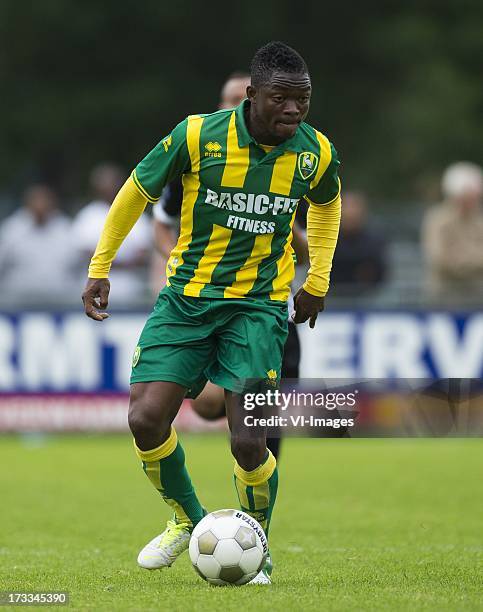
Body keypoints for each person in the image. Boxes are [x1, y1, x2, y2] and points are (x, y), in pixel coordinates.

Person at [82, 41, 342, 585]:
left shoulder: (315, 151)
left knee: (250, 439)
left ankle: (258, 550)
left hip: (259, 308)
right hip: (186, 300)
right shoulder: (198, 135)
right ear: (251, 96)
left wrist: (316, 280)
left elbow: (326, 204)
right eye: (281, 100)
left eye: (303, 101)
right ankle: (191, 520)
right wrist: (100, 265)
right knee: (145, 418)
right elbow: (136, 191)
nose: (293, 111)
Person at [152, 71, 308, 460]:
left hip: (268, 307)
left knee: (263, 423)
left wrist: (282, 227)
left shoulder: (293, 161)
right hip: (203, 298)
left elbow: (307, 250)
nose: (239, 106)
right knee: (206, 405)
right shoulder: (200, 155)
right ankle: (230, 394)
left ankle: (256, 514)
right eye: (230, 99)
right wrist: (179, 262)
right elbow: (161, 220)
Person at [72, 163, 152, 305]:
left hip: (131, 289)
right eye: (104, 183)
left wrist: (104, 262)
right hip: (93, 289)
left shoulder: (136, 212)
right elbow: (85, 253)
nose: (109, 187)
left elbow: (143, 254)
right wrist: (121, 262)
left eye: (112, 182)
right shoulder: (87, 215)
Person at [0, 184, 76, 305]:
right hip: (18, 304)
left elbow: (78, 266)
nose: (40, 205)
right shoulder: (12, 230)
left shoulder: (65, 229)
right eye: (36, 200)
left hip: (60, 302)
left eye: (45, 201)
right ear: (27, 203)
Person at [422, 161, 483, 305]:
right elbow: (439, 259)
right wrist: (473, 263)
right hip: (445, 296)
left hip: (477, 296)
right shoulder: (437, 220)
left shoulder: (480, 221)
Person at [330, 190, 386, 296]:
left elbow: (380, 274)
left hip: (368, 298)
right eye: (347, 207)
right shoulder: (326, 241)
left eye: (355, 207)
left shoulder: (375, 242)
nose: (351, 212)